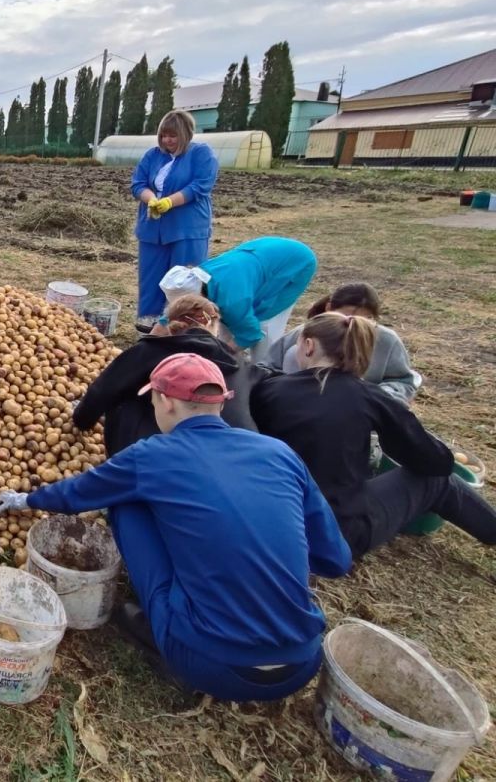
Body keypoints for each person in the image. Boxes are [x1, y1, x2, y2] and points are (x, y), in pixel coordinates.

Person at [0, 354, 351, 702]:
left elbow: (79, 493)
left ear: (165, 401)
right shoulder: (280, 453)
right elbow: (335, 559)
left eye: (152, 401)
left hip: (210, 664)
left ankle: (157, 626)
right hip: (302, 663)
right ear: (221, 403)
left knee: (126, 502)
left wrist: (24, 500)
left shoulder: (152, 456)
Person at [252, 313, 496, 559]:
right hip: (331, 537)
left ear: (308, 345)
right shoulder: (371, 398)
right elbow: (436, 462)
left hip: (271, 527)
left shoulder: (268, 389)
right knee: (438, 480)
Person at [72, 294, 264, 455]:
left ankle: (124, 461)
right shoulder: (239, 363)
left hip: (157, 455)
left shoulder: (152, 350)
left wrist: (80, 422)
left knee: (125, 395)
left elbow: (103, 390)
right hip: (234, 455)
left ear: (171, 324)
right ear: (215, 327)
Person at [259, 282, 421, 403]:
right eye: (345, 316)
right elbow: (267, 368)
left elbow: (404, 381)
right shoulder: (305, 333)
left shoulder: (386, 340)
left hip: (360, 411)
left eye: (367, 320)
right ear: (329, 308)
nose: (353, 325)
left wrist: (377, 398)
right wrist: (289, 389)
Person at [131, 110, 218, 330]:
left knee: (183, 281)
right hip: (153, 228)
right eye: (163, 136)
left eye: (173, 136)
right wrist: (151, 200)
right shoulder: (153, 155)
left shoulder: (201, 154)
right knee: (151, 277)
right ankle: (148, 326)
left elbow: (200, 186)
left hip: (186, 228)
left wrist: (170, 201)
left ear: (186, 134)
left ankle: (183, 326)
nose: (167, 140)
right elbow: (138, 184)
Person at [161, 236, 317, 358]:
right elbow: (175, 314)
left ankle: (265, 371)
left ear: (198, 300)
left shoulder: (234, 300)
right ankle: (233, 368)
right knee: (228, 325)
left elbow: (251, 334)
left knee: (264, 326)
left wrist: (219, 356)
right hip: (262, 252)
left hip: (294, 261)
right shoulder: (196, 278)